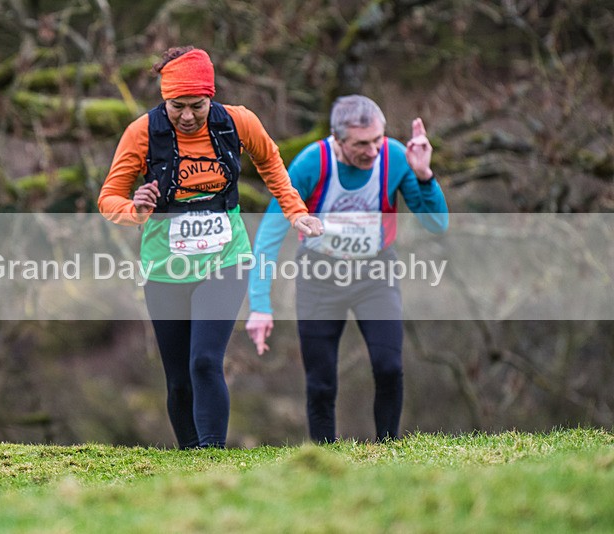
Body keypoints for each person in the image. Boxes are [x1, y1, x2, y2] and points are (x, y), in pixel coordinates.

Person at [97, 46, 322, 449]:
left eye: (196, 106)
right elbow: (108, 199)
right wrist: (137, 209)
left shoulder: (236, 122)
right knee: (179, 379)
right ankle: (190, 460)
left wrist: (296, 213)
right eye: (176, 106)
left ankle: (212, 453)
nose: (186, 116)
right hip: (165, 268)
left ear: (210, 97)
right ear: (164, 99)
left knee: (204, 361)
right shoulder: (142, 133)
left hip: (226, 260)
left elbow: (271, 164)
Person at [245, 95, 448, 442]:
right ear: (338, 140)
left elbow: (437, 223)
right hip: (319, 276)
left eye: (377, 140)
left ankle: (388, 449)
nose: (372, 151)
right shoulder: (312, 164)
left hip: (375, 274)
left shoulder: (396, 158)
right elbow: (269, 234)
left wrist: (425, 176)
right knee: (321, 382)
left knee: (389, 367)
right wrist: (260, 305)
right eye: (361, 144)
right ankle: (325, 457)